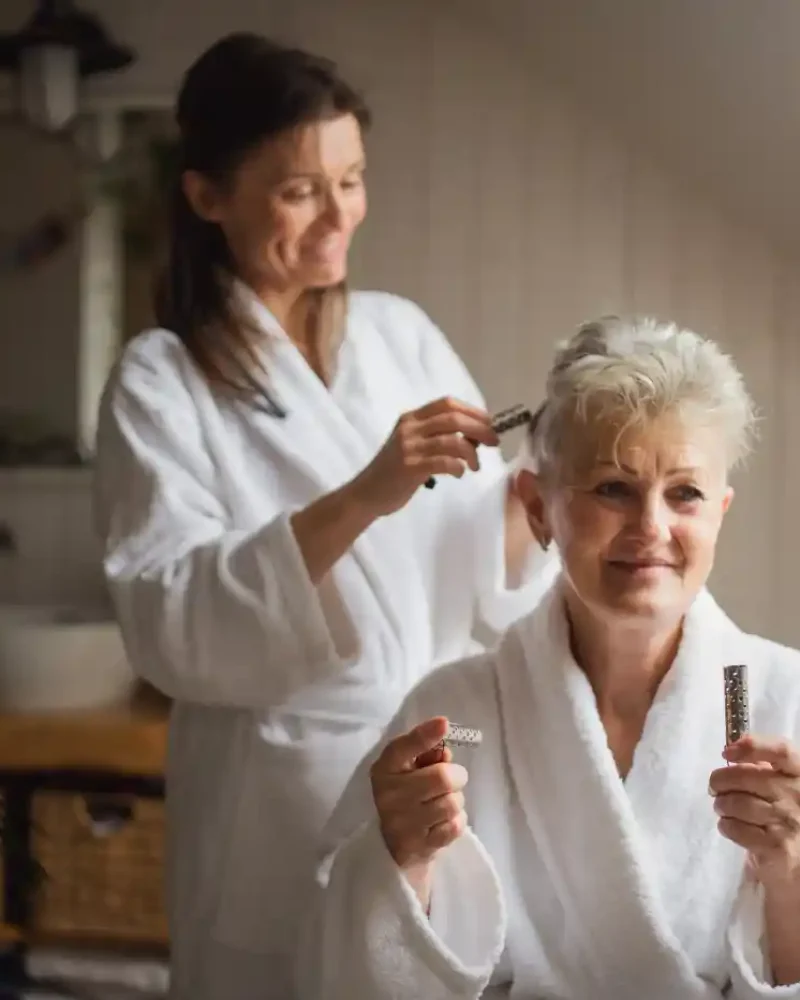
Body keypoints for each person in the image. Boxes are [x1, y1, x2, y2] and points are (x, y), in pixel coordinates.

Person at [93, 31, 556, 1000]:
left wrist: (536, 508)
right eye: (299, 187)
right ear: (207, 195)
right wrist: (362, 494)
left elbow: (476, 562)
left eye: (350, 179)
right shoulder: (162, 379)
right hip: (275, 797)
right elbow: (167, 616)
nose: (337, 213)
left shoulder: (400, 335)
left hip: (423, 776)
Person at [298, 316, 800, 1000]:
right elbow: (337, 964)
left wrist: (788, 869)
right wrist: (399, 860)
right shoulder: (454, 715)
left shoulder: (783, 700)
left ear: (720, 511)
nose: (652, 527)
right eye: (613, 489)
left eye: (684, 493)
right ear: (538, 509)